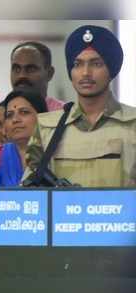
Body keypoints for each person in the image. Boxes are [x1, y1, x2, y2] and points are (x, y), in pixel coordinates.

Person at [23, 25, 136, 187]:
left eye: (96, 64)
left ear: (111, 69)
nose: (85, 73)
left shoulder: (132, 123)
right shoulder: (47, 127)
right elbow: (30, 194)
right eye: (77, 64)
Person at [0, 41, 64, 148]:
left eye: (30, 69)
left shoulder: (65, 114)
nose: (22, 76)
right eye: (16, 69)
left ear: (49, 73)